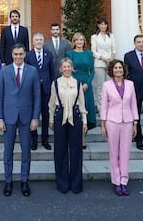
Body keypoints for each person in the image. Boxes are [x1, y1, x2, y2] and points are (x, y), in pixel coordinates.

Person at [0, 43, 41, 197]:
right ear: (11, 55)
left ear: (25, 55)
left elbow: (37, 96)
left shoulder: (33, 71)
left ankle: (24, 181)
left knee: (26, 152)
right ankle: (8, 181)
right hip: (8, 117)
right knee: (8, 151)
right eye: (15, 54)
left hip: (27, 117)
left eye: (21, 54)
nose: (18, 57)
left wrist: (35, 117)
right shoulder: (4, 71)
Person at [48, 58, 87, 194]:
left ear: (72, 68)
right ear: (60, 69)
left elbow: (82, 103)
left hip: (75, 117)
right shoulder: (56, 84)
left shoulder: (77, 83)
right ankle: (62, 182)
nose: (66, 69)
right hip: (60, 116)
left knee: (76, 151)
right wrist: (51, 120)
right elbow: (52, 103)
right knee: (60, 150)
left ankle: (76, 183)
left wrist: (85, 121)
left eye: (68, 67)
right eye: (64, 67)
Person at [100, 60, 138, 196]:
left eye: (120, 68)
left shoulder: (130, 84)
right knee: (114, 153)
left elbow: (134, 104)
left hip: (127, 121)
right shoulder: (107, 85)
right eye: (115, 68)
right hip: (112, 121)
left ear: (124, 70)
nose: (118, 70)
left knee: (125, 153)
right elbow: (104, 105)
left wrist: (135, 123)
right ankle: (116, 181)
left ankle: (124, 181)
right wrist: (102, 124)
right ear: (112, 70)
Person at [25, 32, 55, 150]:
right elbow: (26, 73)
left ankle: (45, 139)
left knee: (46, 115)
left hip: (46, 89)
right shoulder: (28, 55)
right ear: (33, 42)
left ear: (43, 41)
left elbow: (52, 71)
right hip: (32, 89)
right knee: (33, 114)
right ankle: (34, 140)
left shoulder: (48, 54)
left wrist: (53, 86)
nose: (38, 42)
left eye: (40, 40)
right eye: (36, 40)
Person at [66, 32, 95, 149]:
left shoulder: (89, 54)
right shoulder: (70, 54)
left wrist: (87, 83)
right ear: (74, 42)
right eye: (77, 40)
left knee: (85, 109)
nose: (79, 42)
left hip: (86, 85)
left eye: (81, 40)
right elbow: (67, 69)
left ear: (84, 42)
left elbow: (92, 71)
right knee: (74, 109)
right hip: (73, 83)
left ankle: (83, 138)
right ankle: (73, 138)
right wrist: (76, 84)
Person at [91, 16, 116, 113]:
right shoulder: (94, 37)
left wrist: (112, 59)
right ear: (98, 25)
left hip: (110, 63)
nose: (103, 26)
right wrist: (103, 58)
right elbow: (93, 51)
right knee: (99, 86)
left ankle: (110, 106)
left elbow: (114, 49)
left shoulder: (111, 36)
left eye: (105, 24)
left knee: (110, 86)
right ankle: (101, 107)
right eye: (101, 24)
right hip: (99, 63)